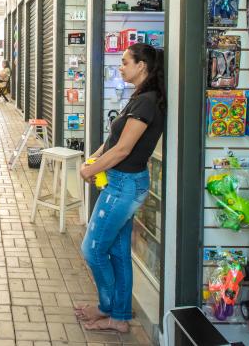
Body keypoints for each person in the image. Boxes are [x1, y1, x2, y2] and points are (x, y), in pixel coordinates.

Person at [75, 43, 165, 333]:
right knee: (117, 251)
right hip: (121, 182)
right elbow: (114, 140)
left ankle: (109, 309)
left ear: (142, 66)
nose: (121, 66)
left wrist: (90, 169)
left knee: (92, 249)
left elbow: (124, 149)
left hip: (125, 186)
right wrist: (95, 160)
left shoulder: (147, 102)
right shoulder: (139, 97)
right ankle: (119, 316)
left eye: (125, 62)